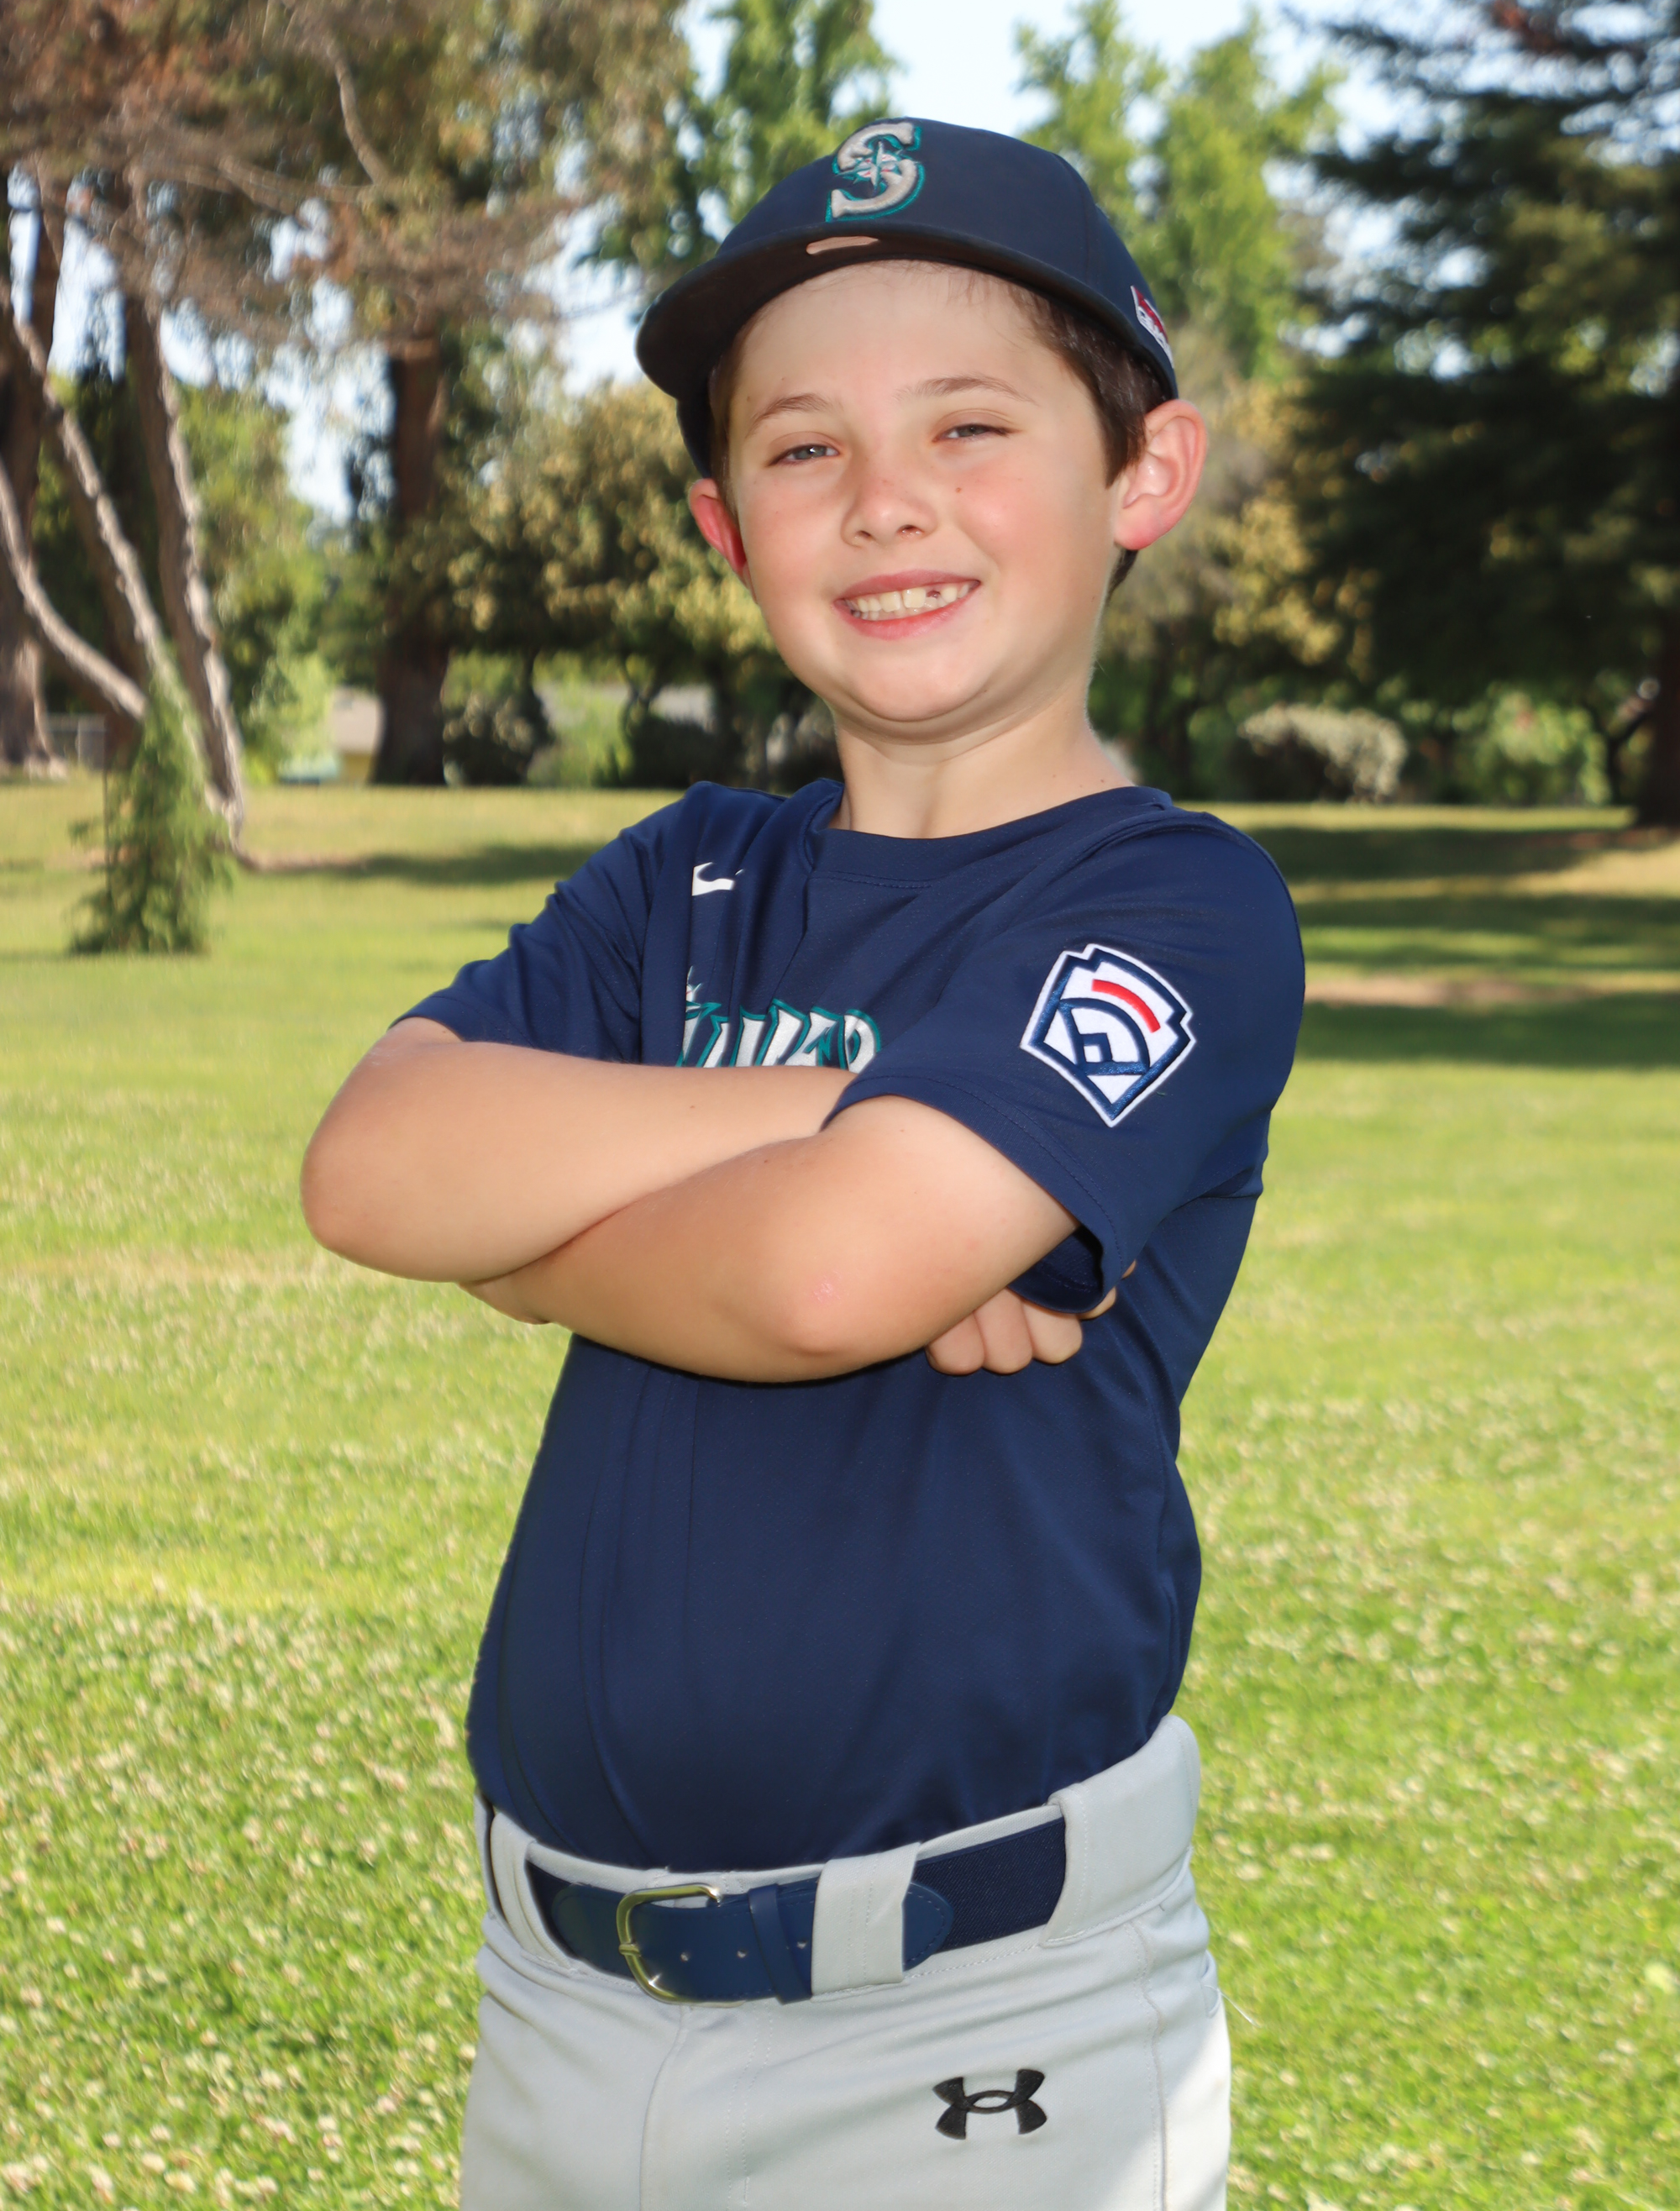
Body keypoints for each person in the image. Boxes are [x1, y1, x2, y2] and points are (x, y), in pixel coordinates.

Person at [302, 118, 1303, 2210]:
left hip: (976, 2029)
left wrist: (534, 1238)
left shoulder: (1175, 903)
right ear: (721, 522)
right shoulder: (685, 878)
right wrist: (863, 1109)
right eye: (802, 449)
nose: (885, 500)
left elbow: (825, 1276)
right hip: (562, 2005)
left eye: (969, 425)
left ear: (1143, 472)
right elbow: (376, 1169)